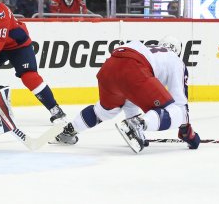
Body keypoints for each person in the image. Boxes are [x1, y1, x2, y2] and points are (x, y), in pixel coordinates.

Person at [55, 37, 201, 153]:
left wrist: (136, 134)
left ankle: (70, 130)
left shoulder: (149, 49)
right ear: (178, 52)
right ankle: (139, 124)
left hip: (111, 65)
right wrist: (187, 133)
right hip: (134, 68)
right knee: (177, 112)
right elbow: (181, 104)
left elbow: (131, 98)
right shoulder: (175, 60)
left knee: (105, 111)